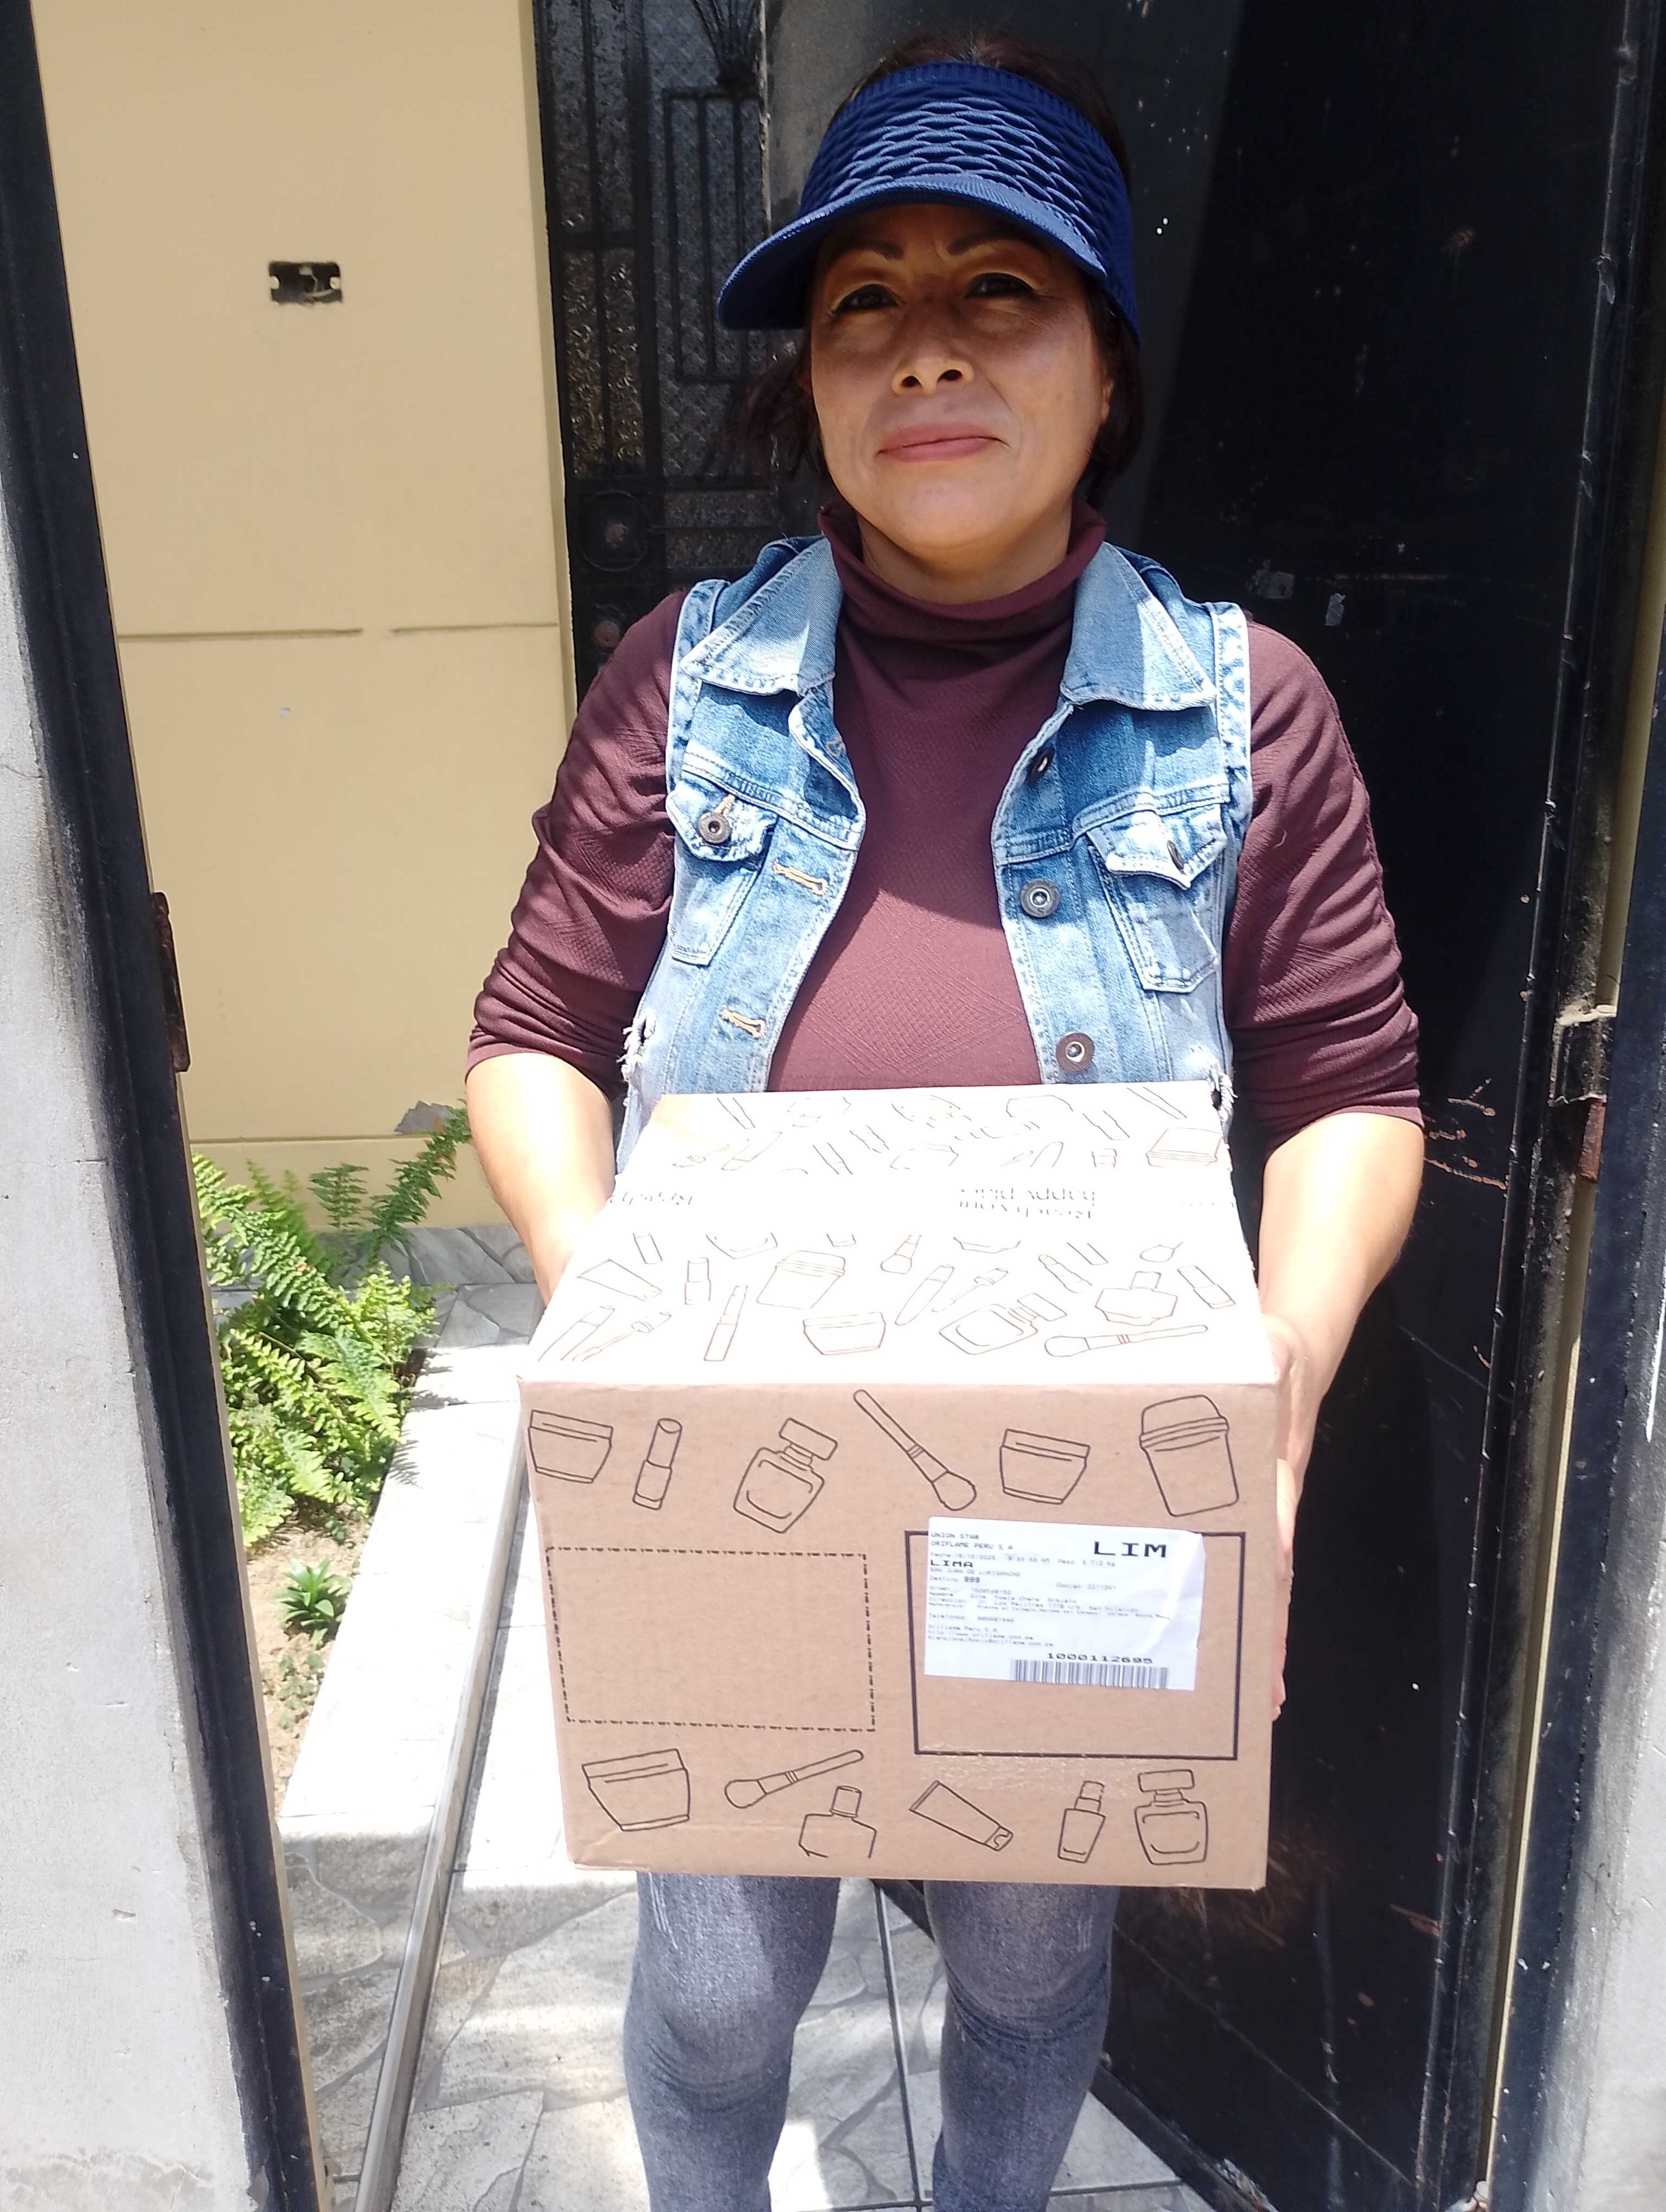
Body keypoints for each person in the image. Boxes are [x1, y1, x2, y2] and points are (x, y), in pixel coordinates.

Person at [466, 29, 1425, 2212]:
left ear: (1106, 366)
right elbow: (533, 1030)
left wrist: (1272, 1383)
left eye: (1002, 288)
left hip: (1063, 1493)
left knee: (1026, 1951)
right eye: (862, 304)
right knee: (724, 1978)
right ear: (811, 386)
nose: (926, 348)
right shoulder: (687, 681)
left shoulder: (1243, 713)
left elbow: (1351, 1087)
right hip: (741, 1471)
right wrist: (621, 1320)